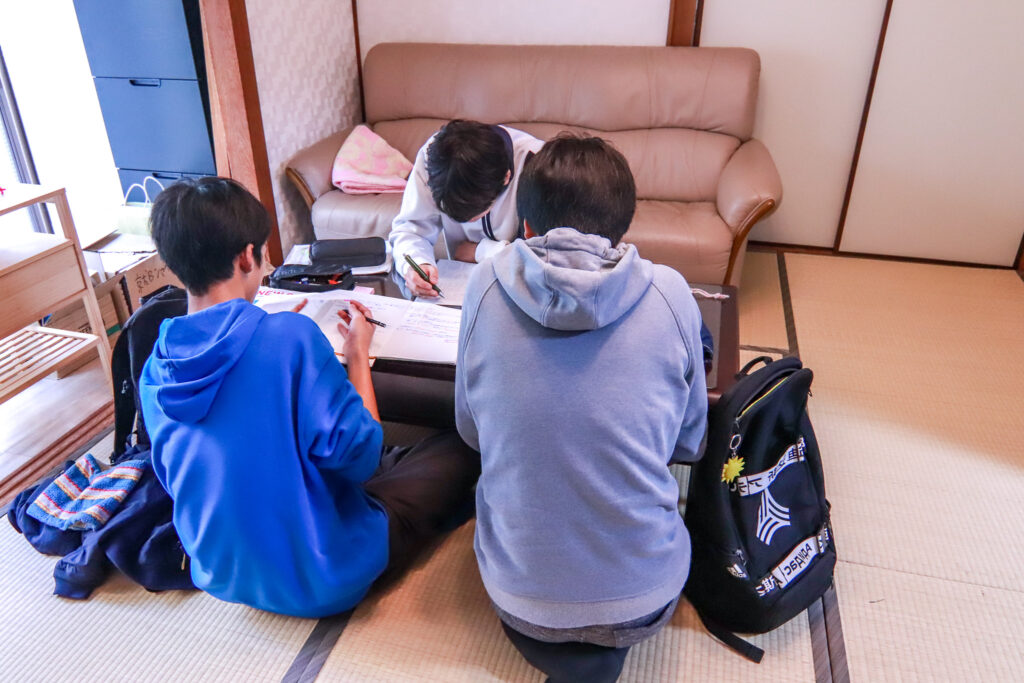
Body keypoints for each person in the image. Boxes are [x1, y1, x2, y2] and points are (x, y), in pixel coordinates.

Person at [139, 177, 479, 618]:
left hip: (221, 573)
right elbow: (361, 459)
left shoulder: (157, 363)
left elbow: (183, 470)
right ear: (247, 256)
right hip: (324, 575)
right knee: (463, 444)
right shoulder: (287, 337)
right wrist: (357, 356)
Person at [455, 135, 709, 683]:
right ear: (622, 228)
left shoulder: (483, 287)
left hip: (519, 602)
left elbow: (470, 431)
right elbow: (690, 443)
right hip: (646, 599)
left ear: (525, 224)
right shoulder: (671, 293)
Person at [388, 119, 543, 298]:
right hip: (459, 289)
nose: (468, 223)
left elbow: (548, 257)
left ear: (506, 178)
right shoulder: (434, 160)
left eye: (475, 215)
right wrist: (417, 264)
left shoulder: (541, 165)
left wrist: (479, 251)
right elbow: (411, 229)